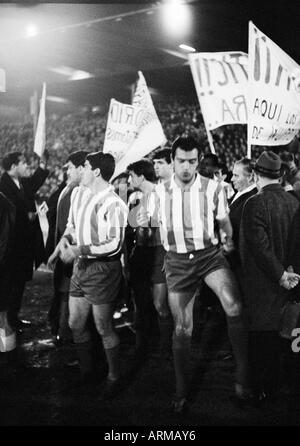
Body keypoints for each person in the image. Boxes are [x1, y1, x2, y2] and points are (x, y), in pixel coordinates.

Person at [139, 136, 250, 413]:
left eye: (191, 161)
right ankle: (181, 389)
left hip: (209, 257)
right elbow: (147, 225)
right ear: (173, 161)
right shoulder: (159, 192)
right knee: (183, 328)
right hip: (177, 262)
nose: (186, 166)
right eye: (180, 161)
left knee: (235, 307)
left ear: (198, 161)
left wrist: (227, 238)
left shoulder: (213, 188)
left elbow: (223, 220)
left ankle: (243, 379)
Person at [53, 152, 128, 397]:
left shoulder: (114, 203)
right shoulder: (79, 193)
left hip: (103, 268)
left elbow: (114, 244)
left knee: (103, 326)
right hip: (81, 266)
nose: (80, 170)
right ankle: (88, 372)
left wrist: (79, 249)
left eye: (84, 166)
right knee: (75, 322)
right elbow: (72, 225)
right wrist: (65, 241)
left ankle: (114, 376)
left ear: (96, 172)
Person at [239, 150, 300, 404]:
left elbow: (259, 247)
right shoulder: (295, 202)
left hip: (264, 285)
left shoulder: (254, 203)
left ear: (255, 174)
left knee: (263, 341)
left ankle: (264, 391)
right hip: (292, 281)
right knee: (286, 338)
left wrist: (278, 276)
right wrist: (289, 275)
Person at [127, 159, 172, 359]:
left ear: (141, 176)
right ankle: (144, 342)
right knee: (140, 301)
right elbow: (134, 231)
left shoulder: (161, 195)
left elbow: (169, 229)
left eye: (131, 175)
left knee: (160, 303)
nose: (129, 179)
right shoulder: (136, 197)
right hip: (141, 253)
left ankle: (166, 345)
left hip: (159, 252)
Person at [0, 151, 49, 330]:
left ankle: (14, 317)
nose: (26, 166)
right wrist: (26, 216)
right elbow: (6, 214)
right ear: (13, 167)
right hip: (11, 245)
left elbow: (35, 181)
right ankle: (7, 322)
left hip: (24, 243)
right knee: (9, 284)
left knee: (19, 283)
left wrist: (43, 165)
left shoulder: (21, 182)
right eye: (23, 163)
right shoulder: (3, 185)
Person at [47, 151, 89, 343]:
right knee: (62, 293)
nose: (67, 171)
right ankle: (61, 330)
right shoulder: (68, 188)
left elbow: (73, 227)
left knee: (66, 295)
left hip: (71, 253)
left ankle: (66, 336)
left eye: (71, 167)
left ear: (82, 168)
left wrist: (64, 250)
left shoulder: (77, 191)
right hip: (63, 249)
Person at [0, 192, 16, 360]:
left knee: (2, 318)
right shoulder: (5, 200)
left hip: (2, 267)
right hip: (5, 266)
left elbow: (4, 241)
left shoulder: (3, 203)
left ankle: (8, 358)